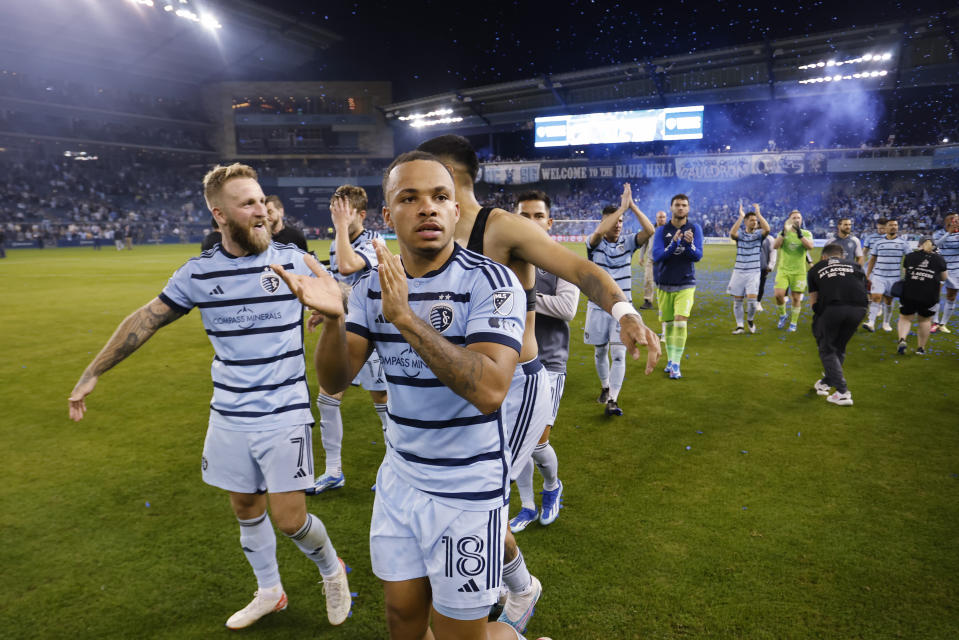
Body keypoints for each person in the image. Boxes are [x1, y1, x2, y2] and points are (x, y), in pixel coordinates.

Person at [67, 163, 352, 630]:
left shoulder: (293, 261)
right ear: (219, 214)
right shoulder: (198, 274)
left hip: (283, 412)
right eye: (248, 203)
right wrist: (92, 371)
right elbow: (147, 319)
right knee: (245, 508)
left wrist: (334, 301)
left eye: (262, 200)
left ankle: (331, 570)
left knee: (289, 519)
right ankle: (269, 591)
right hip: (228, 413)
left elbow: (338, 290)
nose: (261, 211)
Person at [271, 151, 533, 640]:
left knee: (461, 635)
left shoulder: (492, 282)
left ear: (456, 211)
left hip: (467, 490)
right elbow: (334, 380)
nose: (427, 209)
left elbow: (491, 390)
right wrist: (332, 319)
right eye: (409, 198)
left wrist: (407, 319)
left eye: (440, 197)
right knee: (402, 623)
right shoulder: (372, 287)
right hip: (401, 480)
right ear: (389, 216)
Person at [418, 134, 659, 636]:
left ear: (452, 175)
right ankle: (513, 584)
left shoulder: (500, 227)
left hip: (518, 388)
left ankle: (508, 591)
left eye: (429, 176)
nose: (421, 192)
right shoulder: (427, 234)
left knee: (475, 498)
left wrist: (626, 313)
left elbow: (581, 269)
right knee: (461, 496)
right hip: (467, 382)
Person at [311, 185, 388, 494]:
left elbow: (347, 265)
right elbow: (337, 283)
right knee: (327, 397)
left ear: (361, 215)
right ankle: (333, 471)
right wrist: (323, 309)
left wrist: (341, 227)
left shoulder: (375, 241)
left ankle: (394, 467)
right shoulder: (336, 242)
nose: (336, 217)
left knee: (382, 402)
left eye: (342, 212)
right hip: (346, 330)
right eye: (334, 211)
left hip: (374, 333)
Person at [511, 191, 578, 532]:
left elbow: (567, 309)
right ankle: (525, 505)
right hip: (509, 361)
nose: (531, 222)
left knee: (536, 441)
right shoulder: (504, 259)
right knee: (514, 439)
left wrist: (523, 297)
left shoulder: (562, 260)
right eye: (524, 215)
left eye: (538, 216)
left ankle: (552, 486)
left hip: (549, 363)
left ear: (549, 222)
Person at [584, 185, 655, 415]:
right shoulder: (593, 243)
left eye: (621, 220)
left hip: (623, 310)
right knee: (599, 351)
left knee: (618, 353)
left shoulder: (628, 242)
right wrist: (619, 210)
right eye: (614, 220)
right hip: (597, 307)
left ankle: (613, 399)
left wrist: (630, 206)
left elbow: (650, 229)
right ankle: (605, 386)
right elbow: (598, 232)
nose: (617, 224)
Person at [807, 243, 868, 406]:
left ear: (823, 257)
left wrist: (819, 317)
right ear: (843, 257)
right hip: (860, 309)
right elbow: (864, 287)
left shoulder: (815, 268)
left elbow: (813, 301)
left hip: (833, 308)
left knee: (827, 348)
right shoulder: (855, 265)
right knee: (839, 347)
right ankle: (826, 383)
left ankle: (842, 392)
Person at [652, 194, 703, 379]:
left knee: (681, 323)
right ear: (671, 208)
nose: (680, 208)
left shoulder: (695, 228)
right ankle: (671, 359)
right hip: (665, 283)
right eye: (677, 205)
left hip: (686, 283)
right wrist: (674, 243)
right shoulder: (661, 230)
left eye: (684, 205)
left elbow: (697, 256)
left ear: (688, 209)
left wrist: (689, 245)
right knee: (670, 325)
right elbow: (657, 256)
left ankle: (675, 363)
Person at [897, 236, 947, 355]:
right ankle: (921, 348)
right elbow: (944, 278)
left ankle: (902, 339)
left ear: (919, 244)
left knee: (905, 318)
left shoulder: (909, 256)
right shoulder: (939, 259)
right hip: (929, 295)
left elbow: (905, 273)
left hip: (909, 292)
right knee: (924, 321)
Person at [727, 203, 770, 334]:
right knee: (738, 300)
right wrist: (740, 217)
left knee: (752, 302)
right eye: (751, 220)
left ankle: (750, 320)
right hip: (738, 271)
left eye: (755, 221)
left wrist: (758, 213)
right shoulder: (740, 234)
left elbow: (767, 229)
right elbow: (732, 233)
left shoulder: (758, 235)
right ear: (746, 222)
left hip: (753, 272)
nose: (754, 222)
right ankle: (740, 326)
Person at [772, 209, 815, 332]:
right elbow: (775, 246)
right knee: (778, 295)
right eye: (794, 218)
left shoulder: (806, 233)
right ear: (789, 220)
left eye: (799, 218)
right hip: (783, 270)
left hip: (799, 272)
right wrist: (783, 233)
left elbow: (810, 247)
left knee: (796, 298)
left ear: (801, 220)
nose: (797, 220)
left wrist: (800, 235)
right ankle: (783, 315)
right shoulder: (783, 232)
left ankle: (793, 323)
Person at [864, 218, 908, 332]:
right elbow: (872, 259)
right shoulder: (878, 242)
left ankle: (886, 323)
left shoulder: (903, 243)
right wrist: (868, 274)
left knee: (889, 301)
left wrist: (907, 272)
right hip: (878, 276)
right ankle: (871, 322)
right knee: (875, 297)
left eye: (895, 225)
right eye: (891, 225)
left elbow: (909, 259)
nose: (893, 227)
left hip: (894, 277)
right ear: (886, 227)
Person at [932, 212, 959, 334]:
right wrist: (948, 233)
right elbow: (935, 245)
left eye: (957, 219)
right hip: (940, 267)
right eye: (952, 219)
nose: (955, 221)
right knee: (935, 294)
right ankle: (935, 322)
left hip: (956, 269)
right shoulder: (939, 233)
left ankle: (943, 324)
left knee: (951, 296)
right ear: (946, 221)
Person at [637, 210, 667, 310]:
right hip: (651, 260)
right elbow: (644, 244)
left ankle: (667, 302)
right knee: (648, 280)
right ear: (656, 218)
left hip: (665, 260)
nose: (662, 219)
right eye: (660, 217)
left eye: (663, 217)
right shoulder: (650, 229)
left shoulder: (670, 230)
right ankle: (648, 301)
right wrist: (641, 256)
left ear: (666, 218)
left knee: (666, 282)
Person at [756, 232, 777, 312]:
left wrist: (771, 265)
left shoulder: (770, 238)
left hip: (763, 266)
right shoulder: (751, 236)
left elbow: (773, 252)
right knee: (750, 286)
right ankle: (751, 303)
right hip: (751, 266)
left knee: (761, 285)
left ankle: (758, 302)